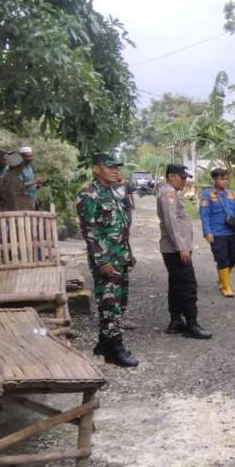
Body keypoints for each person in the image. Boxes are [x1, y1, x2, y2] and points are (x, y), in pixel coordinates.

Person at [76, 151, 138, 368]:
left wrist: (128, 255)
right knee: (109, 304)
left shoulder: (111, 192)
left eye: (117, 167)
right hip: (106, 259)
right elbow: (90, 231)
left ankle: (104, 343)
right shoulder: (89, 194)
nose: (115, 170)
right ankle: (114, 349)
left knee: (119, 302)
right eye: (110, 166)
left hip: (119, 256)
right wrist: (102, 260)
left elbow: (120, 225)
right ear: (96, 169)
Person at [158, 164, 212, 338]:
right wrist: (182, 247)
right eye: (182, 177)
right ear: (172, 176)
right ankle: (192, 324)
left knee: (176, 285)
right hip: (176, 250)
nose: (185, 181)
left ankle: (175, 321)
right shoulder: (168, 193)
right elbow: (171, 222)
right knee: (188, 286)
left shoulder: (171, 192)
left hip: (175, 249)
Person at [200, 167, 235, 298]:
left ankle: (222, 278)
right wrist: (207, 232)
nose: (224, 181)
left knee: (233, 258)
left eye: (226, 178)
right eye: (221, 179)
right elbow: (204, 215)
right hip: (217, 233)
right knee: (222, 259)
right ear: (214, 180)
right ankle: (226, 286)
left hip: (231, 232)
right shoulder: (207, 195)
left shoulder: (230, 194)